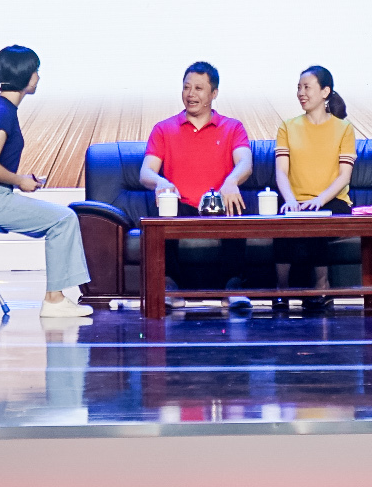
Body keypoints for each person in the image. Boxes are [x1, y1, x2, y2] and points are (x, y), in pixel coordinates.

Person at [0, 44, 92, 319]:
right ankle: (54, 300)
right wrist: (19, 181)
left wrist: (19, 180)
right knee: (64, 219)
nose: (38, 76)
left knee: (63, 218)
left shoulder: (1, 108)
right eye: (35, 71)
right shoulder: (2, 112)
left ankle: (59, 297)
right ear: (24, 75)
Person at [141, 61, 254, 309]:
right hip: (180, 205)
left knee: (236, 207)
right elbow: (146, 172)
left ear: (214, 94)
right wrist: (161, 181)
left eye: (199, 88)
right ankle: (170, 287)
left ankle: (232, 288)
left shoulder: (233, 127)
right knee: (164, 210)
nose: (190, 94)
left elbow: (245, 163)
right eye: (186, 87)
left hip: (218, 205)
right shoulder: (163, 129)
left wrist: (232, 181)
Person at [273, 65, 358, 314]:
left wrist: (319, 200)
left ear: (325, 92)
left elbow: (344, 176)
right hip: (295, 200)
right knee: (283, 222)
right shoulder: (287, 127)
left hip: (332, 201)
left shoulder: (344, 128)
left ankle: (322, 287)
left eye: (307, 87)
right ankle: (281, 291)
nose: (301, 93)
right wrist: (290, 200)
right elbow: (281, 171)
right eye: (298, 88)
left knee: (317, 220)